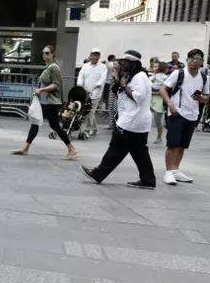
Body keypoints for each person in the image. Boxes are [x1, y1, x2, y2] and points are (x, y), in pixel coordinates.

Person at [79, 50, 156, 189]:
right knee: (139, 152)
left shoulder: (140, 77)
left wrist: (124, 85)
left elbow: (138, 97)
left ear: (134, 63)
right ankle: (148, 179)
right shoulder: (130, 76)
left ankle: (99, 173)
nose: (122, 64)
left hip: (132, 121)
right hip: (134, 121)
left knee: (116, 148)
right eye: (122, 61)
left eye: (125, 62)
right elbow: (117, 91)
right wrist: (117, 79)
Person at [11, 45, 79, 159]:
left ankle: (72, 149)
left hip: (51, 102)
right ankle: (25, 148)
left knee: (52, 125)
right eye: (44, 53)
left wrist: (42, 90)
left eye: (47, 53)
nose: (45, 55)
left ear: (53, 54)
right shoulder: (48, 67)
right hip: (45, 101)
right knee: (38, 123)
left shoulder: (54, 68)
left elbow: (55, 85)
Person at [160, 48, 209, 185]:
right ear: (187, 60)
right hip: (177, 112)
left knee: (182, 145)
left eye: (198, 59)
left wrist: (202, 99)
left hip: (193, 114)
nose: (194, 62)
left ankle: (176, 170)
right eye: (191, 59)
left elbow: (207, 97)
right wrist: (170, 104)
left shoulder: (204, 77)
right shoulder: (178, 73)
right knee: (173, 143)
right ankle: (168, 172)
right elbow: (163, 89)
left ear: (201, 62)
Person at [76, 49, 106, 136]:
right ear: (90, 55)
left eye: (97, 55)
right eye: (93, 55)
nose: (95, 57)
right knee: (88, 111)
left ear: (99, 57)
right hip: (85, 92)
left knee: (90, 111)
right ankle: (95, 128)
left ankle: (87, 129)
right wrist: (80, 85)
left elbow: (102, 79)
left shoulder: (102, 67)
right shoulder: (85, 66)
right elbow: (81, 76)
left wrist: (96, 87)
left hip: (95, 93)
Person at [149, 60, 168, 144]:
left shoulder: (165, 77)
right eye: (153, 66)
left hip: (159, 100)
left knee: (158, 121)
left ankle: (159, 137)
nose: (153, 68)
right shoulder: (154, 75)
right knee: (147, 118)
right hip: (151, 99)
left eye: (155, 66)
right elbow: (148, 83)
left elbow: (166, 89)